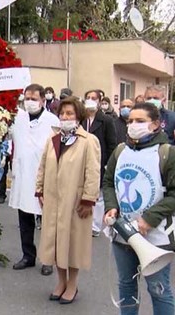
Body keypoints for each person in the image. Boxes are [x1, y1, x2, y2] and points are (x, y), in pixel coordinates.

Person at [103, 102, 175, 315]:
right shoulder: (120, 151)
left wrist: (149, 219)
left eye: (140, 121)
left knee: (159, 290)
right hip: (123, 233)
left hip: (156, 235)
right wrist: (111, 207)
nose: (133, 125)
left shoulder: (167, 153)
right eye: (130, 121)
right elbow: (108, 183)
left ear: (155, 124)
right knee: (126, 285)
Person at [36, 97, 101, 305]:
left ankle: (72, 284)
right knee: (55, 243)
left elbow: (93, 172)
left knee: (73, 245)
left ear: (78, 116)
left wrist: (88, 200)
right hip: (53, 200)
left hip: (76, 201)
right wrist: (39, 190)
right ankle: (60, 281)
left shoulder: (88, 141)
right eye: (62, 113)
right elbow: (43, 166)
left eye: (70, 113)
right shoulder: (53, 139)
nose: (65, 117)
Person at [9, 83, 59, 276]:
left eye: (34, 99)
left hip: (44, 176)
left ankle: (48, 259)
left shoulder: (52, 121)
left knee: (47, 220)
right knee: (25, 218)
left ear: (42, 100)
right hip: (23, 174)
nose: (30, 102)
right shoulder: (17, 119)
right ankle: (28, 255)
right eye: (27, 98)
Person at [83, 89, 117, 237]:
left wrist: (109, 164)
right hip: (82, 160)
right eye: (88, 97)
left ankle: (95, 226)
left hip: (99, 161)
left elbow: (111, 143)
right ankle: (83, 222)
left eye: (93, 98)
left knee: (98, 194)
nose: (90, 100)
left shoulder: (106, 120)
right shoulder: (81, 119)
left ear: (99, 101)